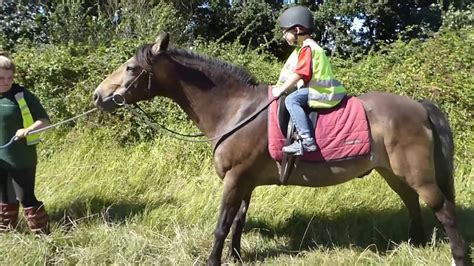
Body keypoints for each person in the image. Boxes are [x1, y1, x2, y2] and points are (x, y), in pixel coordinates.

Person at [272, 6, 347, 155]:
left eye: (286, 31)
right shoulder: (304, 48)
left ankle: (307, 141)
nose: (284, 36)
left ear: (297, 29)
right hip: (316, 89)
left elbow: (301, 73)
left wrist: (281, 90)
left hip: (322, 91)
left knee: (291, 100)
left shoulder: (308, 48)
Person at [0, 52, 50, 234]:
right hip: (1, 161)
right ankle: (7, 233)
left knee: (26, 198)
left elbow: (44, 120)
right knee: (5, 198)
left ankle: (43, 236)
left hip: (21, 159)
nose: (6, 81)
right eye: (1, 77)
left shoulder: (22, 95)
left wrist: (29, 130)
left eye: (9, 77)